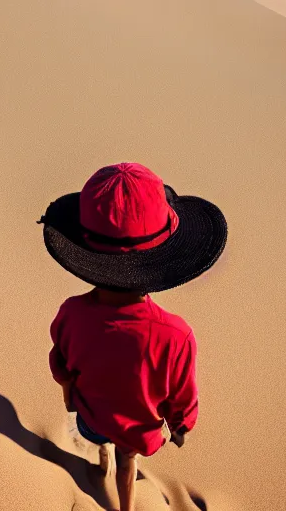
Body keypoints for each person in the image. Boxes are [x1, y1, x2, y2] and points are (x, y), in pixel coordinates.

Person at [38, 162, 227, 511]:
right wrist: (181, 426)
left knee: (99, 440)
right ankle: (125, 507)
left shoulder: (71, 313)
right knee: (129, 460)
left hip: (90, 417)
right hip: (136, 428)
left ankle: (100, 462)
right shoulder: (175, 336)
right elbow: (181, 395)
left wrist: (69, 401)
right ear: (162, 256)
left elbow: (61, 365)